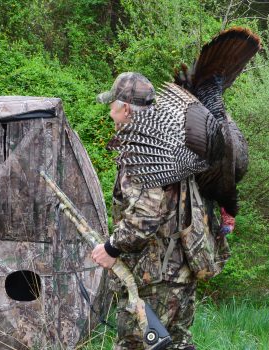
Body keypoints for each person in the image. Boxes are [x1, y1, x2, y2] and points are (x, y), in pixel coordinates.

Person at [91, 72, 206, 350]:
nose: (110, 113)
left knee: (135, 344)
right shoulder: (174, 142)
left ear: (126, 108)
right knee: (177, 343)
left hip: (153, 277)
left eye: (112, 106)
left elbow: (146, 215)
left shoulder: (140, 151)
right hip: (182, 268)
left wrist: (111, 247)